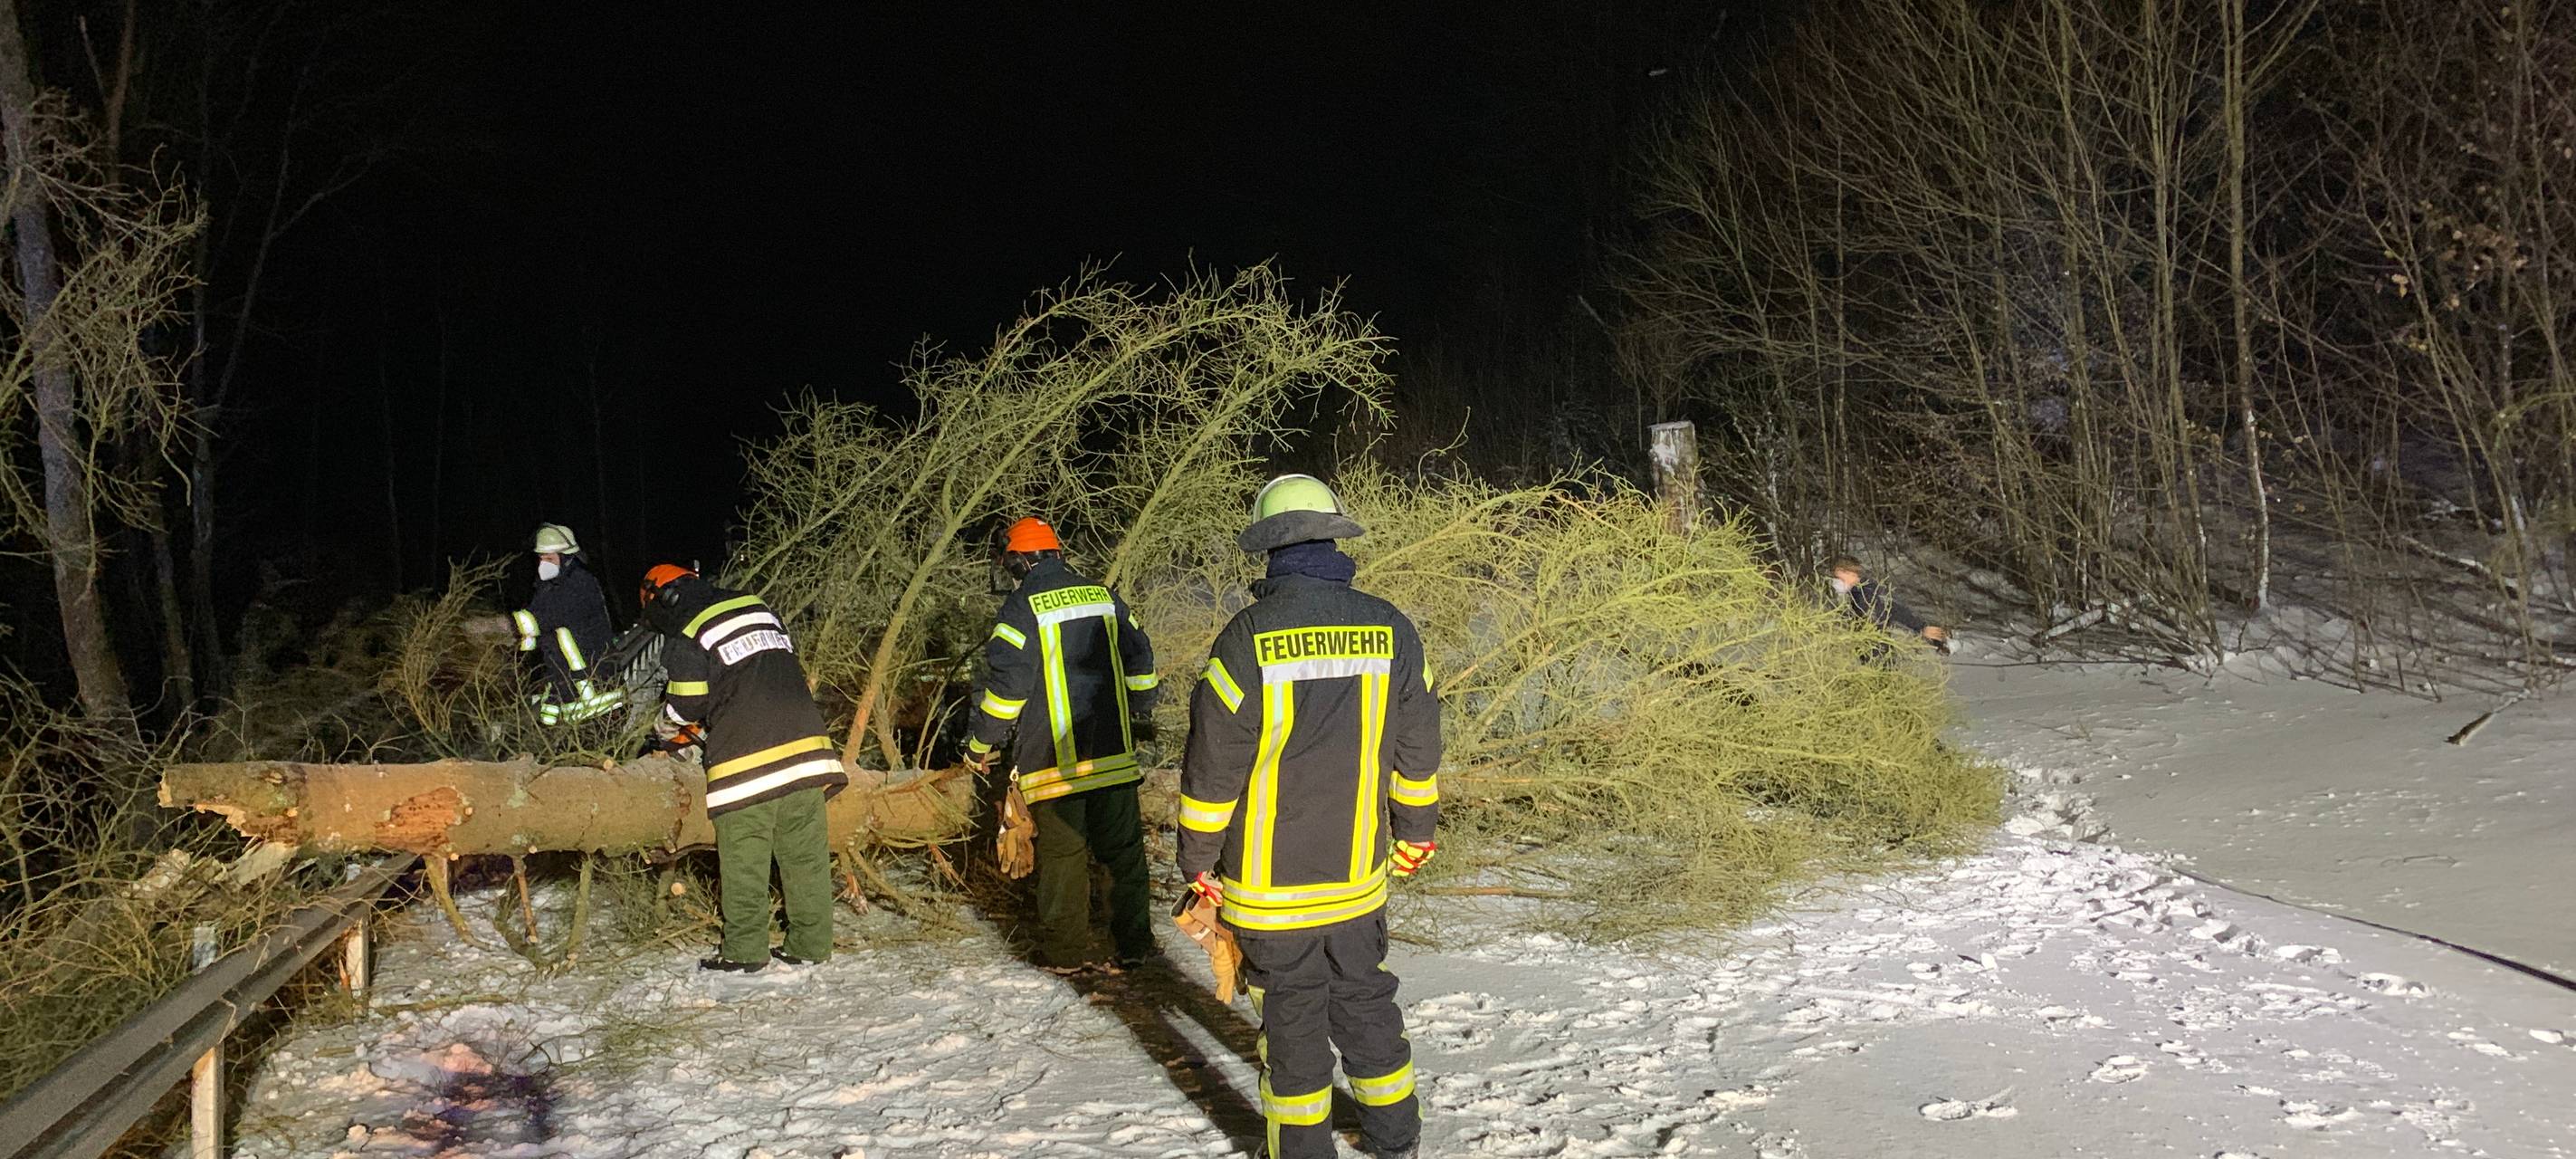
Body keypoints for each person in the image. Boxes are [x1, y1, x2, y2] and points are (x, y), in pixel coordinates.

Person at [1177, 474, 1438, 1159]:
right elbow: (1418, 748)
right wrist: (1416, 832)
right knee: (1365, 1002)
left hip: (1270, 889)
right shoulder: (1392, 628)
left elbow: (1214, 767)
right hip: (1358, 879)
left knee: (1291, 1024)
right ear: (1335, 538)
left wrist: (1198, 859)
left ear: (1267, 549)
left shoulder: (1246, 637)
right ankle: (1397, 1140)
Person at [966, 516, 1161, 973]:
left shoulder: (1020, 609)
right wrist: (1139, 706)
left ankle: (1066, 955)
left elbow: (1007, 692)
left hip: (1053, 765)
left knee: (1062, 860)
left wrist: (980, 745)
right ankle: (1133, 948)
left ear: (1019, 562)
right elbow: (1141, 655)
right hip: (1113, 756)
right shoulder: (1103, 596)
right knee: (1123, 855)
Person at [640, 563, 849, 972]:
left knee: (744, 861)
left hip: (745, 760)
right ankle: (811, 943)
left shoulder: (687, 632)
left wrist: (664, 726)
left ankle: (744, 951)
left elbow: (687, 705)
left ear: (663, 600)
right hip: (809, 751)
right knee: (805, 859)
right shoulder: (756, 606)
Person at [510, 523, 621, 724]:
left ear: (567, 558)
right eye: (541, 558)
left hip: (598, 702)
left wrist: (490, 628)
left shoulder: (579, 586)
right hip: (570, 690)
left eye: (550, 558)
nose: (543, 564)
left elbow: (536, 621)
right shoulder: (548, 589)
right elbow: (539, 639)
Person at [1827, 554, 1950, 653]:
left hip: (1875, 654)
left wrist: (1920, 627)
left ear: (1850, 573)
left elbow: (1895, 609)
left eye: (1839, 576)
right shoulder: (1856, 594)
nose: (1836, 581)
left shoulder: (1867, 593)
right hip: (1867, 653)